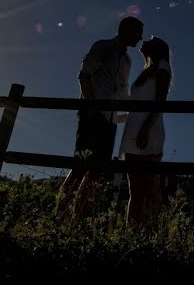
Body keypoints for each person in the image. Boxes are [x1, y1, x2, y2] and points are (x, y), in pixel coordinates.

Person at [56, 16, 143, 219]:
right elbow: (84, 75)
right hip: (92, 115)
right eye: (138, 31)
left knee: (96, 173)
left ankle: (78, 220)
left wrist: (127, 115)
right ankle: (59, 217)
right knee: (80, 167)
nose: (140, 37)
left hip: (110, 122)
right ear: (126, 29)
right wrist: (91, 108)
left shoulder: (127, 61)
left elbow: (122, 90)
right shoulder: (103, 47)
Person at [120, 36, 172, 232]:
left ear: (158, 47)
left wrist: (145, 129)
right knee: (135, 190)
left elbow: (160, 103)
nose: (144, 41)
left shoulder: (162, 68)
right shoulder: (147, 70)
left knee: (150, 189)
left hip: (148, 132)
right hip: (133, 132)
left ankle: (150, 234)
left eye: (150, 40)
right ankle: (131, 234)